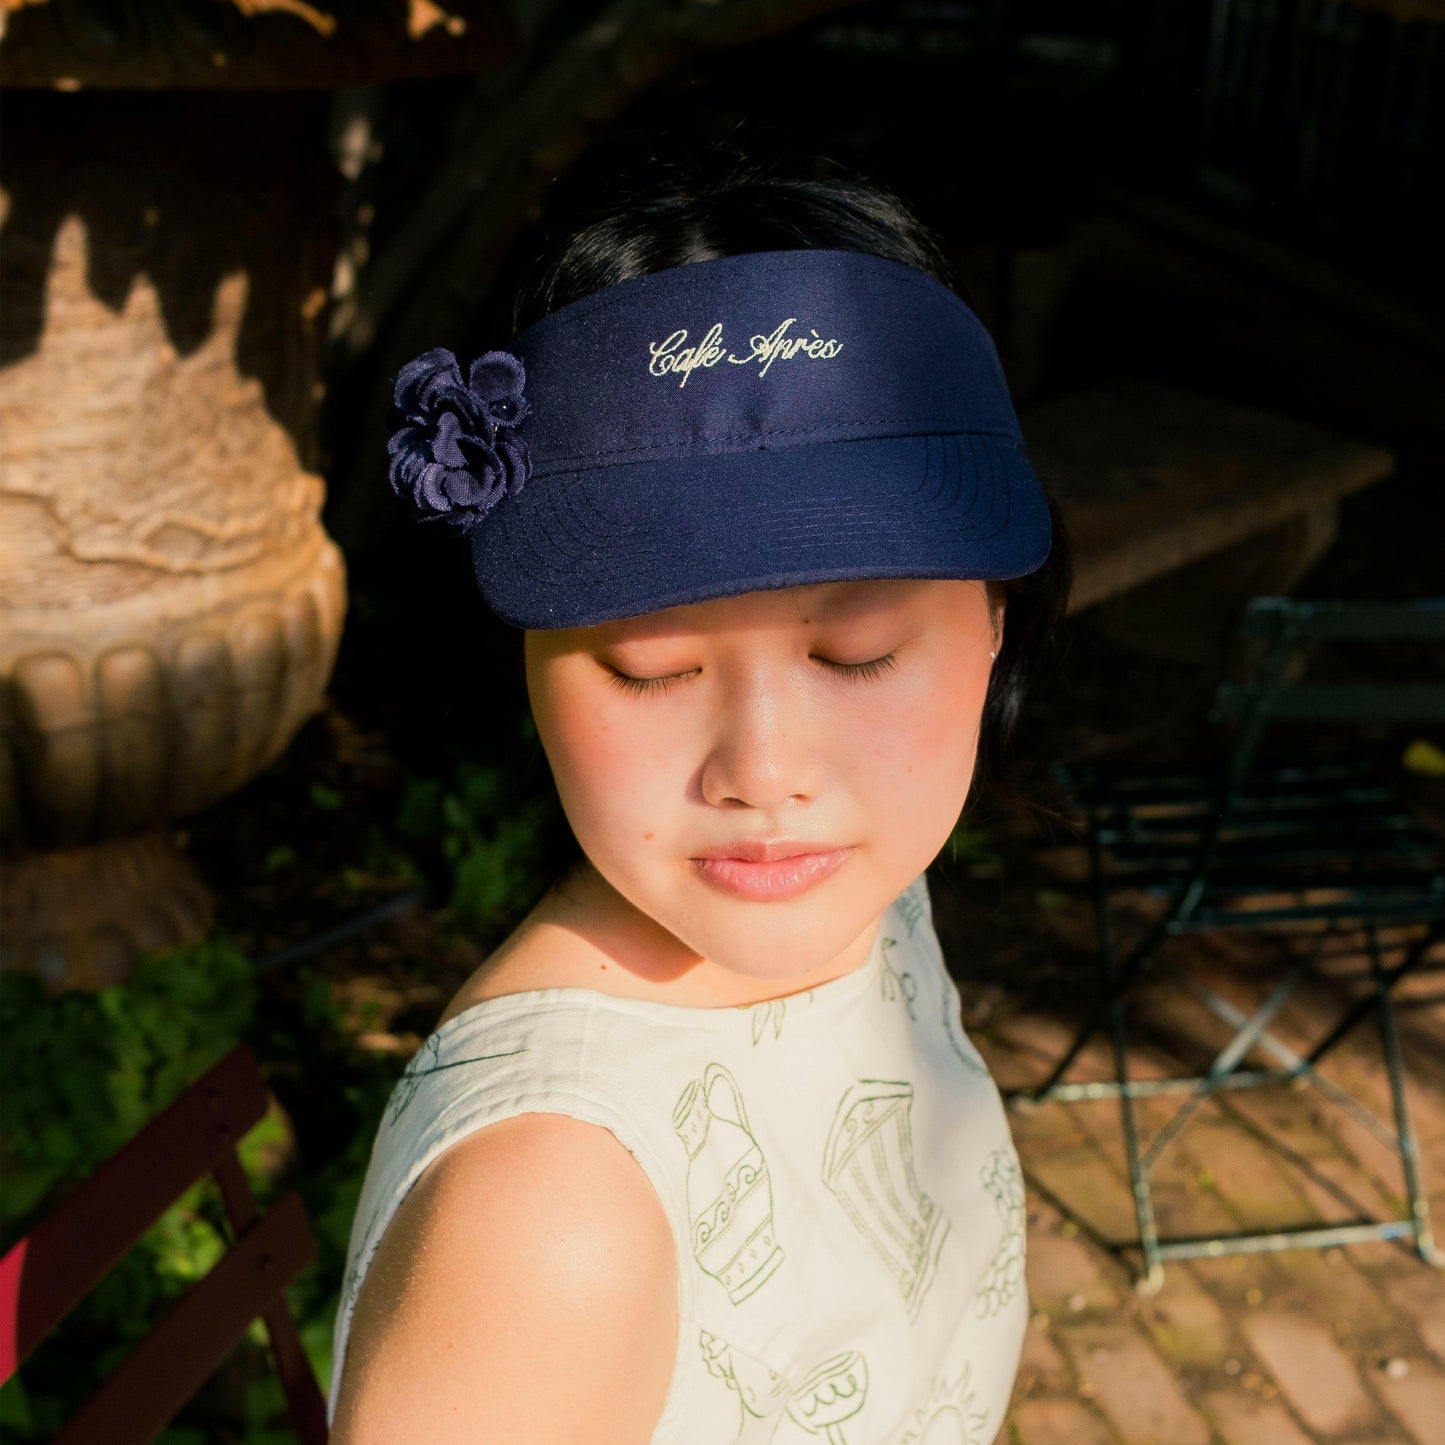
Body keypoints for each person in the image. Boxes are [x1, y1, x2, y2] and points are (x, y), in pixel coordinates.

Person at [328, 167, 1069, 1444]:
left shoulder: (859, 891)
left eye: (857, 651)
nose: (763, 770)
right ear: (529, 664)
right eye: (649, 667)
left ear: (993, 615)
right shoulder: (548, 1220)